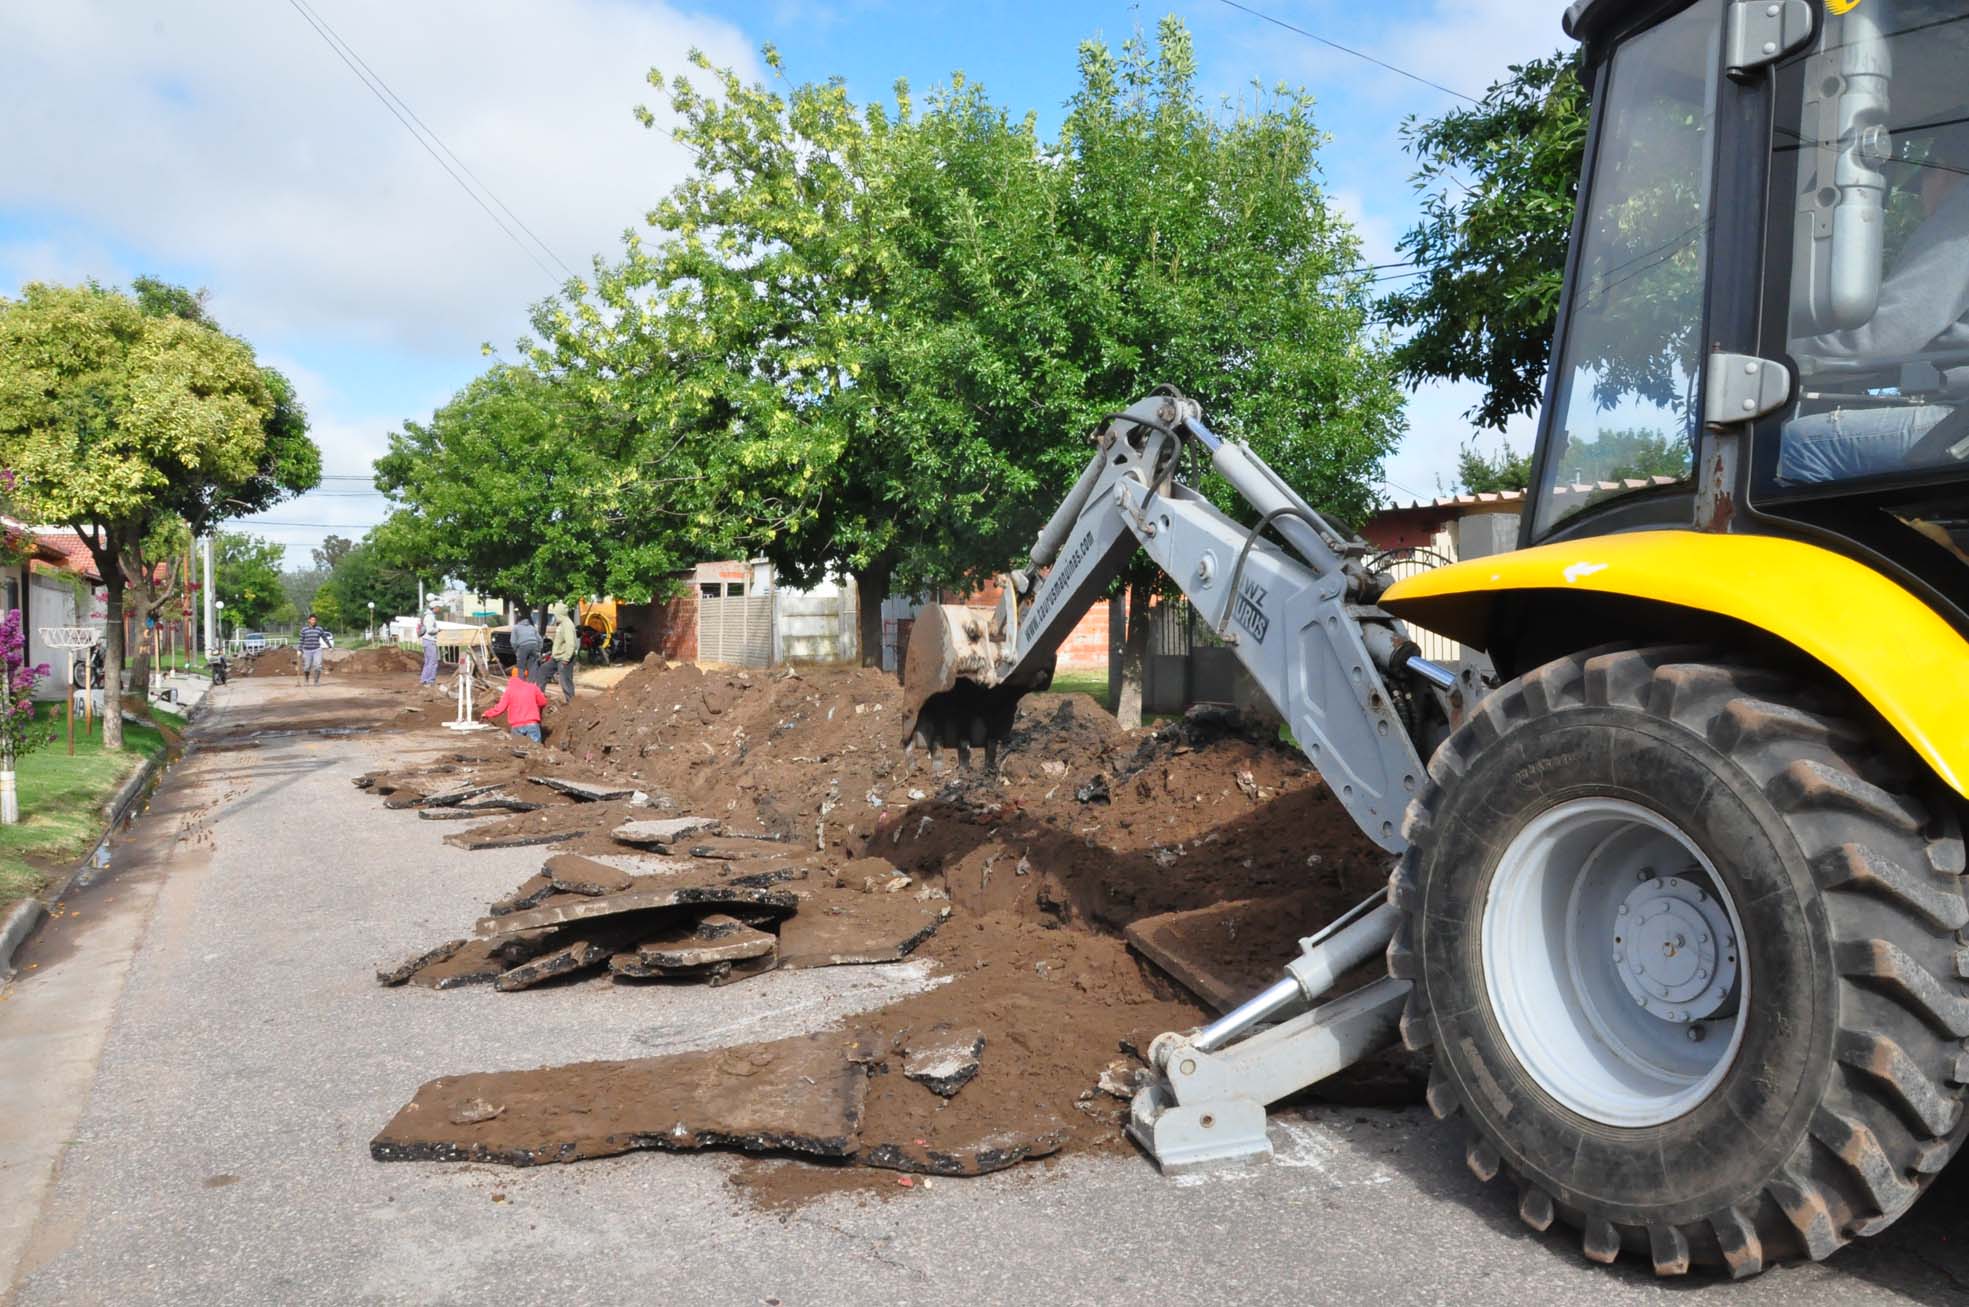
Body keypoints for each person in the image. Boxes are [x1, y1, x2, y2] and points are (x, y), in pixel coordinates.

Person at [1784, 122, 1969, 481]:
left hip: (1963, 416)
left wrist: (1781, 353)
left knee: (1801, 445)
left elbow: (1893, 331)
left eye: (1920, 188)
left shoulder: (1962, 209)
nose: (1922, 206)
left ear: (1942, 171)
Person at [481, 666, 548, 743]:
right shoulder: (532, 687)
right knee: (536, 749)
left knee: (517, 747)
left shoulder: (509, 690)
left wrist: (487, 714)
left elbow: (500, 708)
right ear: (525, 676)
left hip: (516, 726)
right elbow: (543, 702)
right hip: (532, 724)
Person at [540, 601, 578, 703]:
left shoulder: (568, 625)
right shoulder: (561, 623)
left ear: (559, 613)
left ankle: (572, 703)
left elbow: (571, 643)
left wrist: (566, 659)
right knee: (543, 670)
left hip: (564, 658)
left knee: (565, 680)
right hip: (556, 657)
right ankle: (539, 697)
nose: (555, 616)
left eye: (555, 614)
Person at [296, 614, 333, 686]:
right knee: (307, 667)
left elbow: (324, 638)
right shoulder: (304, 629)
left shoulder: (319, 629)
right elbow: (301, 640)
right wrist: (299, 650)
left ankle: (316, 681)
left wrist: (330, 646)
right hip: (307, 650)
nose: (313, 621)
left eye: (315, 620)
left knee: (318, 665)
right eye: (312, 620)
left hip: (317, 650)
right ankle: (306, 680)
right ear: (309, 620)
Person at [510, 610, 542, 683]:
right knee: (533, 666)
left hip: (523, 646)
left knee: (521, 666)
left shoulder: (516, 627)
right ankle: (531, 684)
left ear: (518, 621)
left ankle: (521, 683)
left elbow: (513, 641)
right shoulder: (532, 627)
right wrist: (539, 650)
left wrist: (516, 651)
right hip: (534, 646)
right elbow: (540, 640)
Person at [418, 601, 441, 686]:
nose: (439, 609)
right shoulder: (430, 617)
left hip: (427, 641)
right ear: (435, 608)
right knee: (432, 662)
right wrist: (438, 630)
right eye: (438, 607)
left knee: (428, 662)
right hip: (430, 641)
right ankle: (429, 681)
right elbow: (430, 630)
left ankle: (424, 679)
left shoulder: (428, 616)